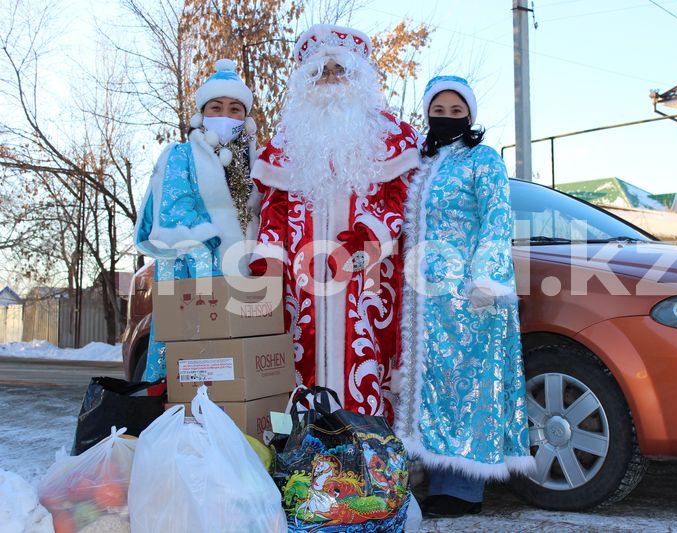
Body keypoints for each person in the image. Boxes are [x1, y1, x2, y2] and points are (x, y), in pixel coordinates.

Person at [249, 24, 419, 420]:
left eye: (338, 70)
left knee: (369, 356)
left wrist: (369, 237)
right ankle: (307, 455)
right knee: (297, 359)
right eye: (320, 73)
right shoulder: (286, 144)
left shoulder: (393, 137)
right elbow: (272, 209)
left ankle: (373, 455)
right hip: (301, 283)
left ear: (358, 77)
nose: (330, 80)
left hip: (369, 279)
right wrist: (268, 265)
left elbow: (402, 199)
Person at [393, 76, 535, 517]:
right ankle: (431, 478)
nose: (448, 118)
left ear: (470, 116)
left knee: (469, 387)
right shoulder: (417, 163)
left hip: (470, 299)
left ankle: (463, 488)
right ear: (427, 111)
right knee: (428, 387)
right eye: (440, 109)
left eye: (458, 112)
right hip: (422, 303)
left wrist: (487, 280)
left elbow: (497, 219)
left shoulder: (483, 159)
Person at [134, 59, 262, 381]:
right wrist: (212, 270)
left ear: (245, 118)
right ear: (202, 114)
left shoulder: (258, 162)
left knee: (246, 377)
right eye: (216, 107)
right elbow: (175, 211)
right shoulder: (180, 155)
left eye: (235, 109)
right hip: (197, 279)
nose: (225, 115)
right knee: (195, 372)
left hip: (251, 286)